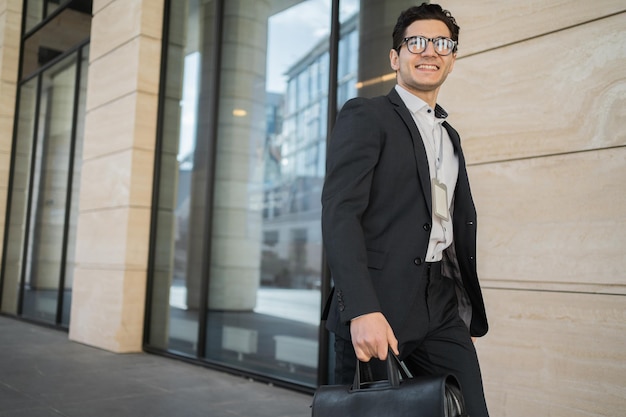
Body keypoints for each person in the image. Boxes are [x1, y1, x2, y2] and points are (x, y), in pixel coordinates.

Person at [321, 3, 490, 416]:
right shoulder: (368, 116)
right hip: (377, 300)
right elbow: (340, 213)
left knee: (470, 409)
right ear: (396, 58)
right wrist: (361, 307)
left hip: (440, 303)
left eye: (441, 43)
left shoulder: (450, 136)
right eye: (416, 42)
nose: (429, 50)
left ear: (451, 59)